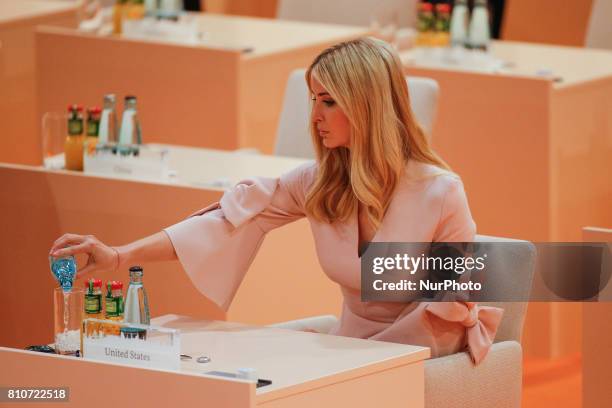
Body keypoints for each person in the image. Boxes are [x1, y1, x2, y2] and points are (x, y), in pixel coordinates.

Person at [49, 37, 502, 364]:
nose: (314, 116)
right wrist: (117, 256)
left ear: (366, 106)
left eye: (329, 101)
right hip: (352, 348)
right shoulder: (318, 182)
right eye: (312, 100)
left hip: (425, 350)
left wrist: (359, 359)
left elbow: (453, 305)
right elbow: (226, 221)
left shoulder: (441, 191)